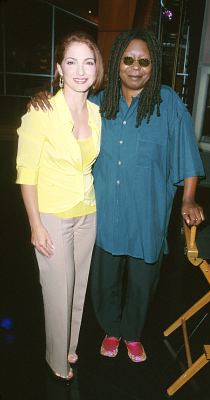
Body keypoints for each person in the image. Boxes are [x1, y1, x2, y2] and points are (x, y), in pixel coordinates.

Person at [30, 28, 205, 364]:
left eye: (144, 61)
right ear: (116, 64)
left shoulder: (168, 104)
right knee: (104, 279)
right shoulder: (98, 102)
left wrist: (188, 199)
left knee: (143, 280)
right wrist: (40, 97)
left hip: (147, 214)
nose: (135, 67)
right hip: (105, 212)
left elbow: (187, 157)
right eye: (128, 59)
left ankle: (133, 333)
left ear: (154, 66)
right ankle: (112, 329)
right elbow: (64, 108)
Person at [16, 31, 104, 379]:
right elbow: (27, 173)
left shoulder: (96, 113)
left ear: (97, 69)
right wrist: (35, 225)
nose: (80, 70)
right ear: (59, 68)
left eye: (88, 61)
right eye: (71, 61)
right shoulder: (41, 112)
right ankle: (55, 360)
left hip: (87, 211)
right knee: (56, 290)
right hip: (52, 214)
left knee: (78, 287)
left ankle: (68, 345)